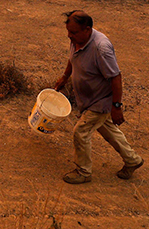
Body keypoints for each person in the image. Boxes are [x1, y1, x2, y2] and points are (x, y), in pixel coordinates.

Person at [54, 10, 143, 184]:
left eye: (73, 32)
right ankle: (133, 160)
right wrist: (65, 77)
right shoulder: (77, 40)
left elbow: (116, 77)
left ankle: (83, 171)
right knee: (107, 128)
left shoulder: (101, 48)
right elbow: (73, 58)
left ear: (87, 30)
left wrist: (116, 106)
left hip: (100, 100)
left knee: (80, 132)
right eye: (68, 31)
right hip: (87, 99)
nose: (69, 36)